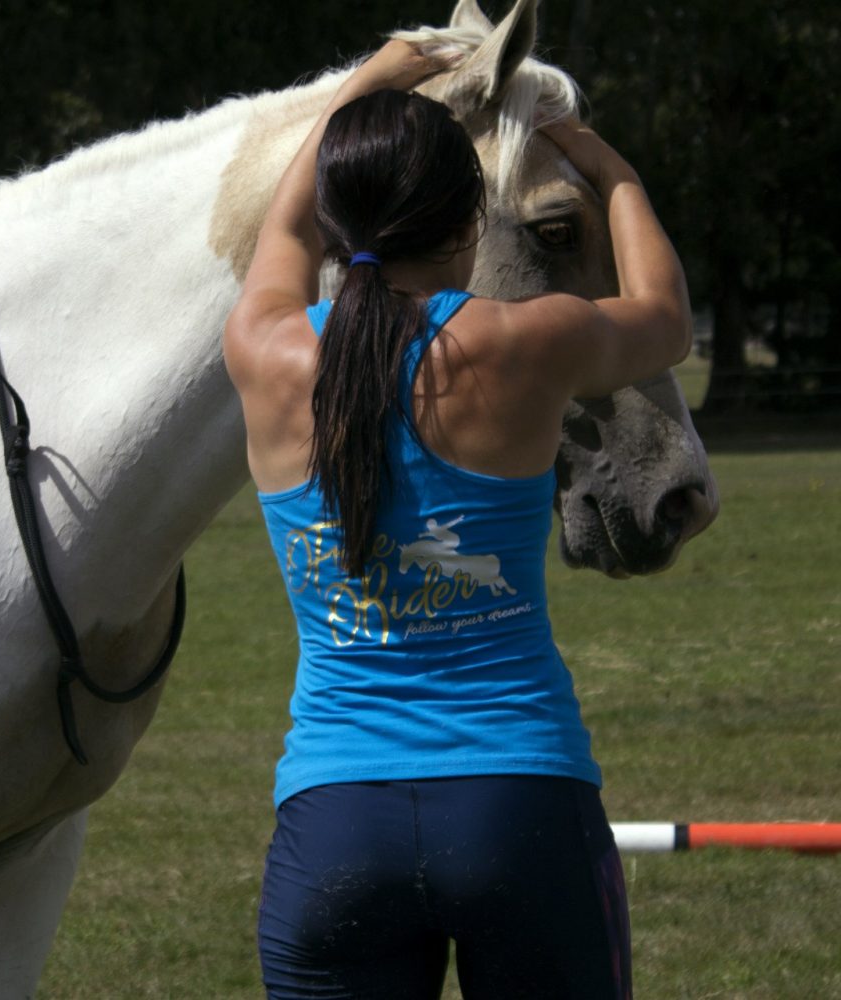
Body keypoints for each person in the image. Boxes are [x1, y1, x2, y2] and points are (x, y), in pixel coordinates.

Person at [222, 38, 690, 1000]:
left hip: (334, 827)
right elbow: (663, 315)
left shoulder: (262, 352)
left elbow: (286, 231)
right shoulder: (524, 345)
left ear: (335, 212)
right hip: (522, 809)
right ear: (472, 218)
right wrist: (608, 170)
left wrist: (362, 89)